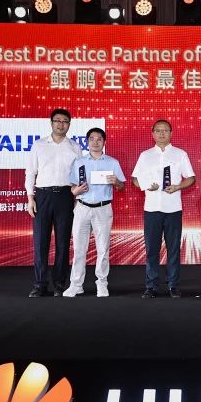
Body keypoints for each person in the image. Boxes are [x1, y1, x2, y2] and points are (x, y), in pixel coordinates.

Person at [130, 119, 196, 298]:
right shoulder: (145, 155)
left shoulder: (180, 154)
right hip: (152, 209)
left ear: (171, 133)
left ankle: (173, 285)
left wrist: (178, 186)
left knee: (173, 249)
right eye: (158, 130)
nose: (161, 133)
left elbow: (191, 178)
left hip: (173, 209)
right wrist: (145, 185)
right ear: (152, 134)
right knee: (151, 250)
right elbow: (135, 179)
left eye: (165, 130)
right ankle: (151, 286)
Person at [24, 108, 83, 297]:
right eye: (57, 120)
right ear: (51, 123)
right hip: (43, 196)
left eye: (65, 121)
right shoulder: (39, 145)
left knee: (63, 243)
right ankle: (40, 284)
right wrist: (30, 198)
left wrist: (77, 197)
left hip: (65, 196)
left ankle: (59, 284)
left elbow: (79, 175)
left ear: (69, 125)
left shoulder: (75, 147)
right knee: (41, 242)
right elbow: (30, 172)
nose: (61, 124)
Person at [63, 127, 126, 298]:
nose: (95, 142)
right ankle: (76, 285)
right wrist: (76, 191)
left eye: (99, 139)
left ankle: (102, 283)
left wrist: (116, 182)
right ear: (87, 142)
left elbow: (121, 187)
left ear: (104, 142)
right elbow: (72, 186)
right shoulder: (79, 162)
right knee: (79, 249)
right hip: (82, 208)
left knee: (103, 249)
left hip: (103, 209)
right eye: (92, 139)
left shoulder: (112, 162)